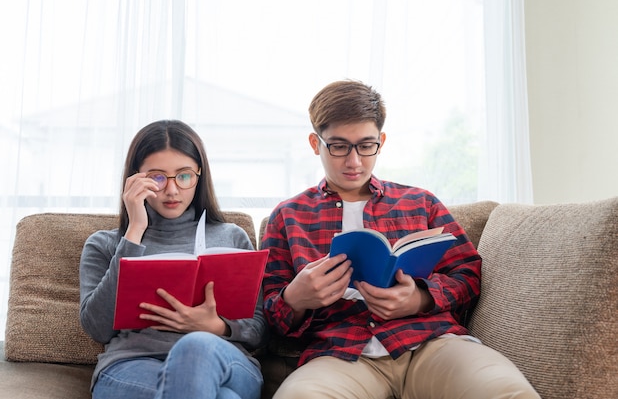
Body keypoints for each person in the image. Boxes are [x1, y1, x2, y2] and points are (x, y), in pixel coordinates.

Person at [261, 80, 540, 399]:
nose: (354, 162)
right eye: (339, 146)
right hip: (340, 356)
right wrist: (295, 298)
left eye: (366, 146)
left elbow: (468, 274)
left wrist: (420, 298)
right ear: (316, 143)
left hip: (432, 344)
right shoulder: (288, 216)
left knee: (509, 393)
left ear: (380, 141)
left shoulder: (420, 203)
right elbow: (269, 314)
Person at [79, 120, 267, 399]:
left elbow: (259, 328)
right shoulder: (104, 244)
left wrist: (215, 327)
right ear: (135, 179)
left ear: (199, 176)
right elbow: (97, 328)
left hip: (223, 360)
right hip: (133, 364)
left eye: (184, 176)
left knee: (196, 347)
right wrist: (134, 232)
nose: (172, 190)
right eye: (157, 177)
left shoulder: (232, 237)